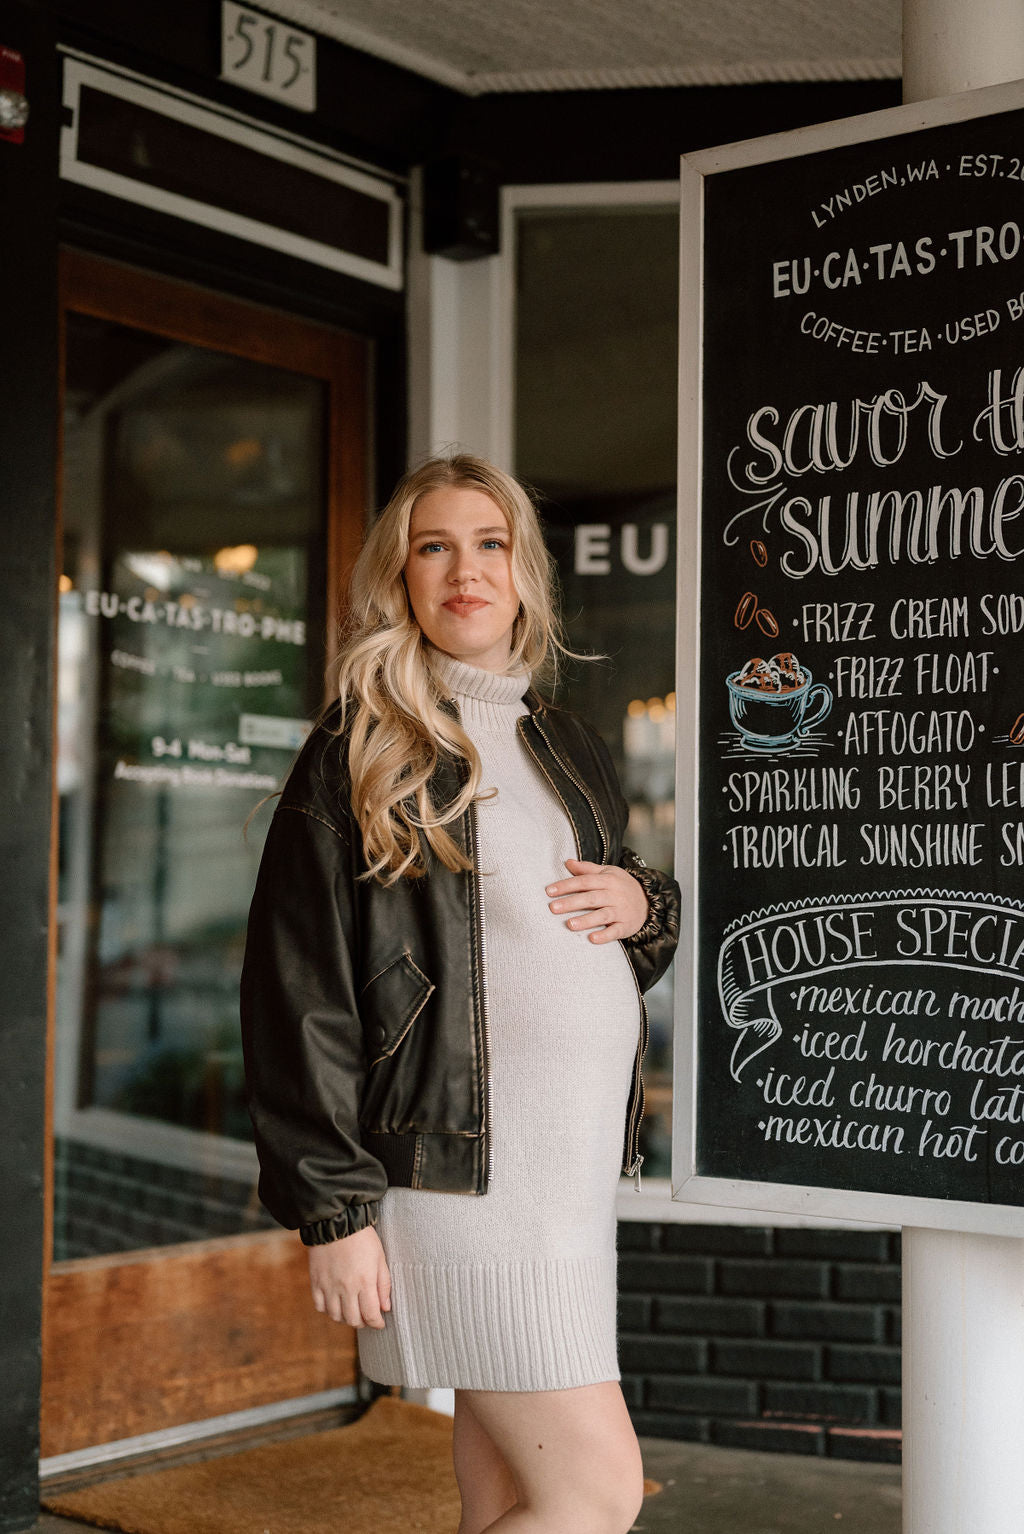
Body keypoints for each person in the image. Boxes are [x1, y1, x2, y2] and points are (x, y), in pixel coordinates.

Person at [240, 452, 681, 1534]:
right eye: (433, 546)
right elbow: (296, 986)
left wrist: (645, 901)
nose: (463, 569)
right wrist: (333, 1210)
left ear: (525, 573)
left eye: (489, 544)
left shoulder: (565, 742)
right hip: (460, 1188)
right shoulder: (362, 745)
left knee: (521, 1498)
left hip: (566, 1182)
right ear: (401, 576)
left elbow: (586, 921)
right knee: (594, 1495)